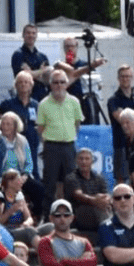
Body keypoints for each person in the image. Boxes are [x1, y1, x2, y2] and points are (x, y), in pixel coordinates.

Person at [38, 70, 84, 201]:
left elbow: (77, 123)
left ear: (67, 84)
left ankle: (72, 214)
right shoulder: (44, 104)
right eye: (56, 82)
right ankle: (47, 215)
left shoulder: (74, 102)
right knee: (49, 183)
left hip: (69, 146)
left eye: (62, 82)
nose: (59, 85)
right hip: (51, 147)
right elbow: (40, 128)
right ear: (50, 85)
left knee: (71, 182)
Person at [108, 63, 134, 184]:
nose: (125, 79)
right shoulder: (113, 99)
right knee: (122, 179)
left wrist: (128, 114)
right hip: (121, 144)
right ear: (118, 78)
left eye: (128, 76)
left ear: (132, 77)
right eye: (122, 76)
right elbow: (120, 118)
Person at [63, 147, 109, 233]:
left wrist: (105, 200)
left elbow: (105, 195)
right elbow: (78, 195)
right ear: (76, 161)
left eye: (87, 159)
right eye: (81, 159)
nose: (84, 161)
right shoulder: (71, 178)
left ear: (92, 161)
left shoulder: (99, 178)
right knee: (100, 209)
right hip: (77, 214)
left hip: (96, 212)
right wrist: (95, 200)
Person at [10, 23, 51, 101]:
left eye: (33, 33)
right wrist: (41, 71)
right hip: (25, 97)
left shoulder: (42, 57)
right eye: (28, 33)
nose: (31, 35)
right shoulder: (18, 55)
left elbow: (48, 80)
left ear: (36, 36)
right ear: (23, 35)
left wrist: (31, 73)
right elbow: (24, 77)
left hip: (43, 97)